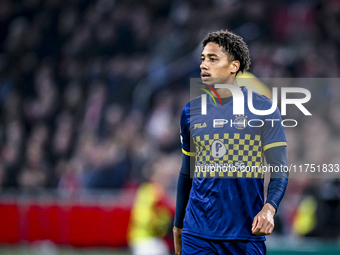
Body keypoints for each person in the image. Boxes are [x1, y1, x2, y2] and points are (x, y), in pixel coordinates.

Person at [173, 30, 289, 255]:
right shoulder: (191, 112)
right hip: (197, 235)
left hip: (245, 235)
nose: (204, 65)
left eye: (213, 59)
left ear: (234, 66)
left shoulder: (263, 109)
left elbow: (280, 169)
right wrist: (178, 226)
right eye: (203, 59)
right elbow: (186, 172)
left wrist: (269, 208)